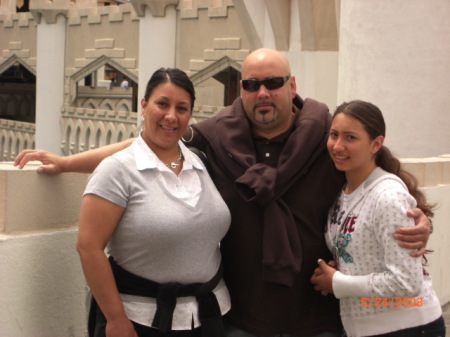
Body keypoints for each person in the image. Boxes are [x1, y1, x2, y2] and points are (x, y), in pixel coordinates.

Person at [14, 49, 432, 337]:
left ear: (292, 85)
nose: (262, 92)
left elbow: (379, 170)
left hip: (317, 316)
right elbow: (149, 143)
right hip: (241, 317)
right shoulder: (216, 138)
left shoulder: (327, 136)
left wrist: (418, 217)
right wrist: (68, 163)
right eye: (251, 83)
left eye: (273, 82)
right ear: (240, 90)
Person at [76, 67, 232, 337]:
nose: (171, 116)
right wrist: (115, 319)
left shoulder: (201, 162)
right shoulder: (117, 170)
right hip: (140, 321)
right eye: (162, 103)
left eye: (182, 108)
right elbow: (88, 247)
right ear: (144, 106)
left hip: (208, 316)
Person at [310, 100, 445, 337]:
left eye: (350, 137)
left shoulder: (388, 196)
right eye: (334, 135)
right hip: (366, 329)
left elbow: (406, 283)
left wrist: (338, 283)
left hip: (407, 327)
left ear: (376, 144)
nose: (338, 146)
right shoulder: (343, 192)